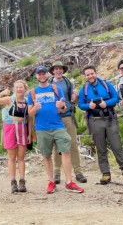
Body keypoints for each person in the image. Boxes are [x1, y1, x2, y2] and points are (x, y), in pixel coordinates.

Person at [28, 65, 84, 194]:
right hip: (41, 128)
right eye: (39, 74)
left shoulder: (56, 89)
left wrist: (62, 106)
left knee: (65, 151)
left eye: (44, 74)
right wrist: (35, 108)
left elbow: (63, 109)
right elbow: (30, 114)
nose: (42, 76)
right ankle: (51, 181)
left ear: (48, 75)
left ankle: (69, 182)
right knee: (46, 155)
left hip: (58, 125)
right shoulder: (32, 92)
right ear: (36, 76)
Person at [78, 65, 123, 185]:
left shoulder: (106, 84)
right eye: (87, 75)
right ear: (85, 76)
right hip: (95, 120)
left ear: (96, 73)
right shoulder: (84, 89)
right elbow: (81, 104)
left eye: (92, 73)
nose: (90, 76)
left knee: (116, 145)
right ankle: (105, 173)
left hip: (110, 119)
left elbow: (116, 98)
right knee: (101, 147)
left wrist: (106, 103)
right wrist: (89, 106)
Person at [48, 61, 87, 184]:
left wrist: (75, 96)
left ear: (63, 70)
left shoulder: (67, 83)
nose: (58, 70)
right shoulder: (49, 83)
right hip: (54, 118)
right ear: (53, 71)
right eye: (56, 69)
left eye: (60, 69)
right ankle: (57, 172)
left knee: (73, 143)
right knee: (56, 146)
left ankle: (78, 172)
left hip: (68, 116)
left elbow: (73, 100)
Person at [0, 80, 32, 193]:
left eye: (21, 87)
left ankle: (22, 181)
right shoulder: (10, 99)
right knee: (12, 157)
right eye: (17, 87)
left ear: (25, 89)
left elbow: (29, 119)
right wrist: (3, 93)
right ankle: (13, 182)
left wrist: (30, 134)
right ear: (14, 89)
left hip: (22, 128)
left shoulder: (28, 101)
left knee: (21, 157)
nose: (19, 89)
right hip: (10, 128)